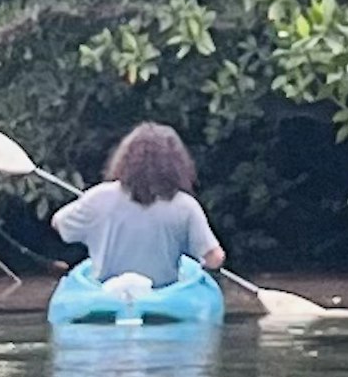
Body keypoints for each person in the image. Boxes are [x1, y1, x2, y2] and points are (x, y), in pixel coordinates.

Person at [53, 120, 260, 317]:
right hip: (164, 300)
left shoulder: (98, 197)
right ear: (176, 164)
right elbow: (214, 258)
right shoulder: (185, 206)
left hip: (106, 295)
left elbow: (59, 225)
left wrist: (90, 208)